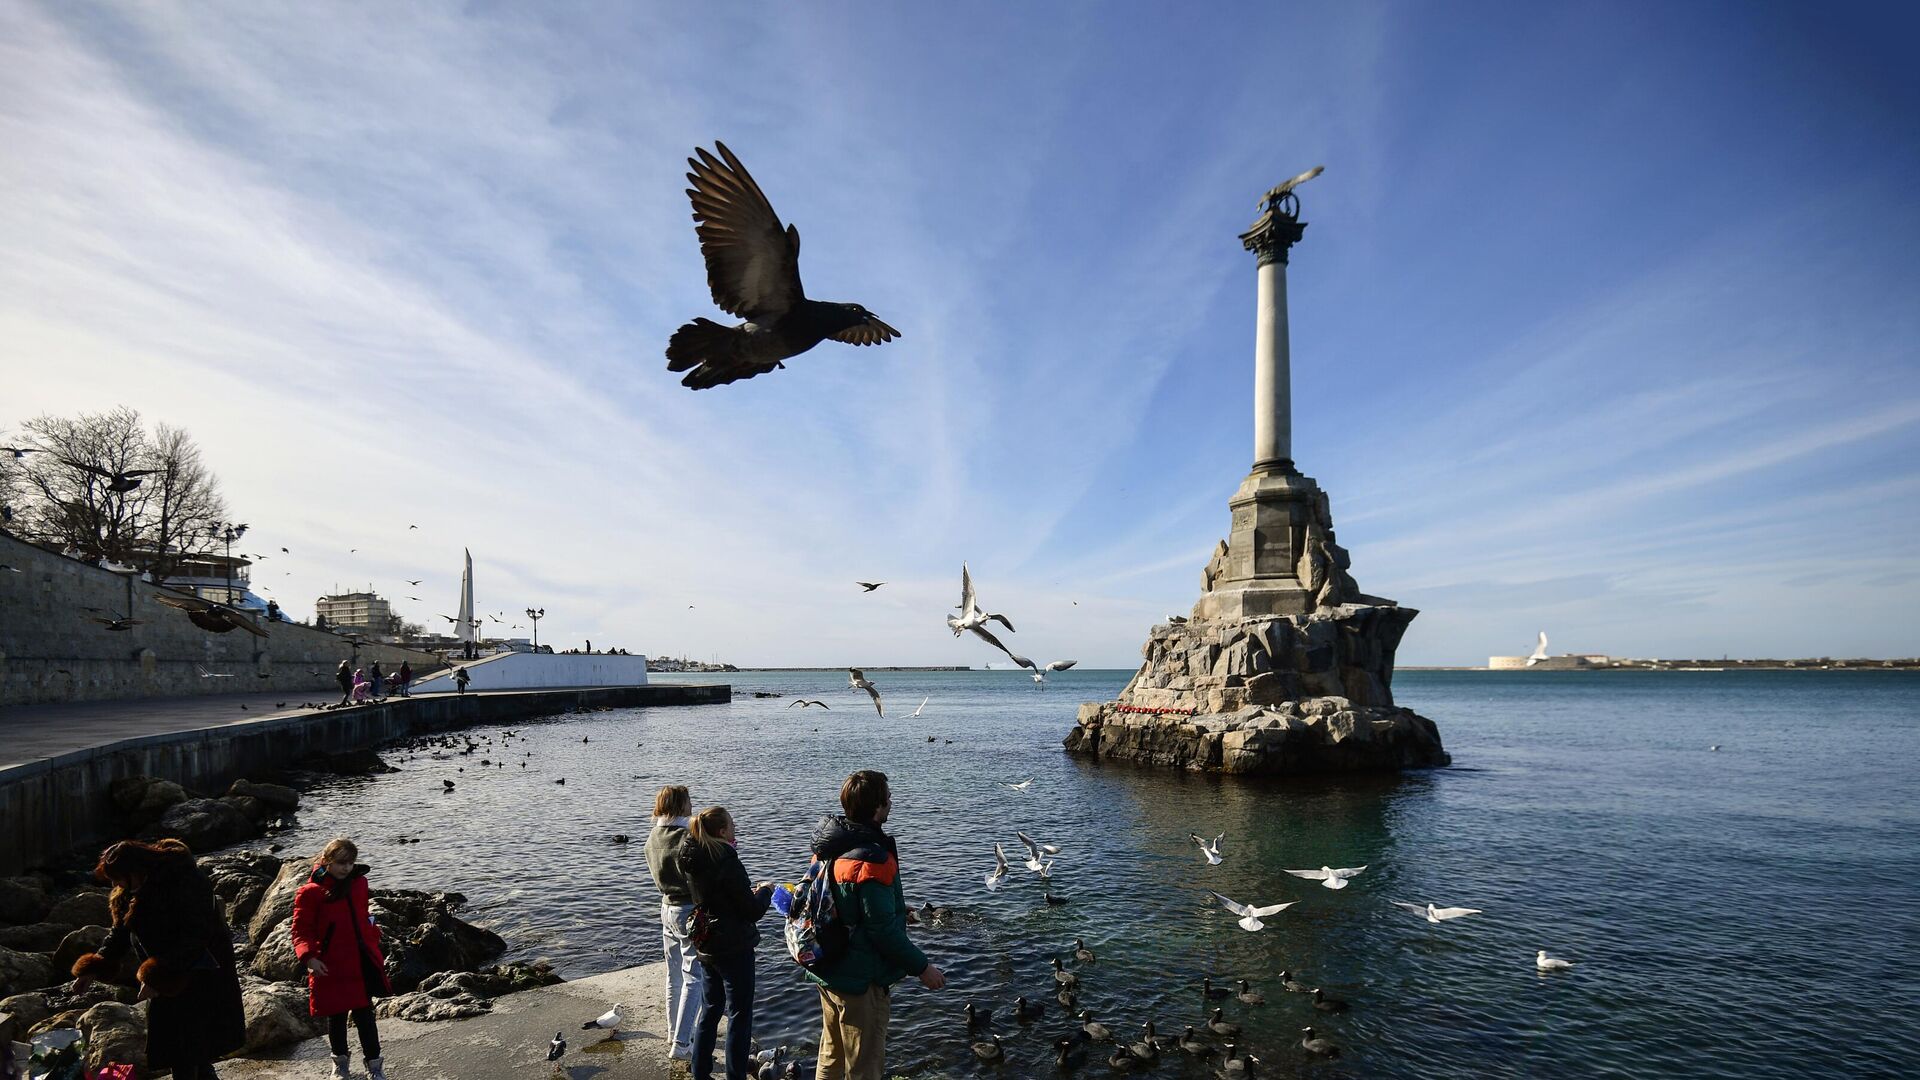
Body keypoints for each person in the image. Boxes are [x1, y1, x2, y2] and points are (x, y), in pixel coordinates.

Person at [807, 770, 945, 1080]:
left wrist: (897, 910)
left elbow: (847, 904)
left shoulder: (828, 846)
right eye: (888, 798)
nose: (892, 801)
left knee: (832, 1054)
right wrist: (923, 968)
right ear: (877, 808)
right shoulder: (872, 860)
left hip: (828, 967)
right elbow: (880, 931)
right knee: (864, 1065)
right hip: (860, 980)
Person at [69, 839, 246, 1079]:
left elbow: (196, 936)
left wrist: (158, 976)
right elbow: (120, 932)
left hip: (204, 969)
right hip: (167, 974)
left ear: (136, 871)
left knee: (192, 1043)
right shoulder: (127, 891)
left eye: (118, 877)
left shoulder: (186, 882)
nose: (114, 884)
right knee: (179, 1045)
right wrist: (95, 966)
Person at [676, 806, 773, 1080]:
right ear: (721, 831)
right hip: (733, 946)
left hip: (706, 942)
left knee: (710, 1009)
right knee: (740, 1015)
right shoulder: (726, 859)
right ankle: (735, 1075)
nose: (735, 829)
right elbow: (751, 910)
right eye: (732, 825)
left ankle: (700, 1072)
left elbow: (718, 897)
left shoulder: (692, 856)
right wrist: (765, 891)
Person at [291, 838, 392, 1080]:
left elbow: (362, 916)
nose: (346, 868)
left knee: (365, 1016)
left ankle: (375, 1067)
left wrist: (372, 933)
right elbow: (300, 930)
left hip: (360, 961)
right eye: (340, 863)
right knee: (336, 1017)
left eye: (350, 862)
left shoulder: (359, 884)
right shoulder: (311, 892)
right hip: (330, 964)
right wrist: (309, 958)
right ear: (326, 861)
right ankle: (340, 1066)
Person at [645, 785, 704, 1063]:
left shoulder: (653, 837)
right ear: (682, 805)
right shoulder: (686, 837)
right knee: (694, 975)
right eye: (689, 802)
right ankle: (682, 1043)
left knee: (674, 975)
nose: (692, 806)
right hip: (688, 908)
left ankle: (673, 1031)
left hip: (666, 907)